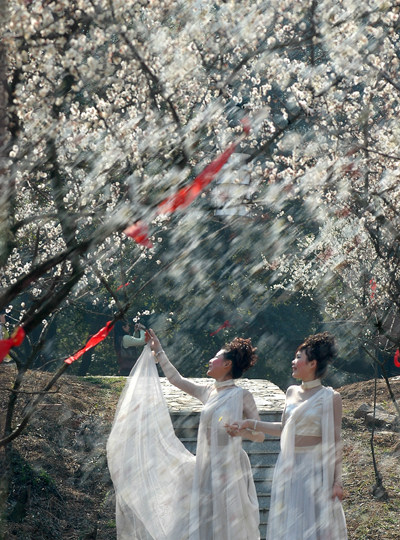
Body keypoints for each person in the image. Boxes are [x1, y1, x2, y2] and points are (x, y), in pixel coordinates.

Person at [107, 328, 264, 540]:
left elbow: (260, 435)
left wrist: (241, 431)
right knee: (203, 522)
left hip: (230, 470)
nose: (210, 360)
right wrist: (159, 350)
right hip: (206, 467)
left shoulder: (242, 396)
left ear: (227, 364)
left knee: (228, 525)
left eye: (216, 358)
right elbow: (176, 379)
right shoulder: (208, 391)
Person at [226, 332, 348, 540]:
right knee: (290, 525)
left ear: (312, 364)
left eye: (299, 357)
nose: (293, 362)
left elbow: (335, 441)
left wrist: (337, 480)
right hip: (289, 466)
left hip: (315, 469)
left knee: (314, 525)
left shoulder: (330, 397)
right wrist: (249, 423)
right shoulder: (291, 392)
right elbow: (284, 428)